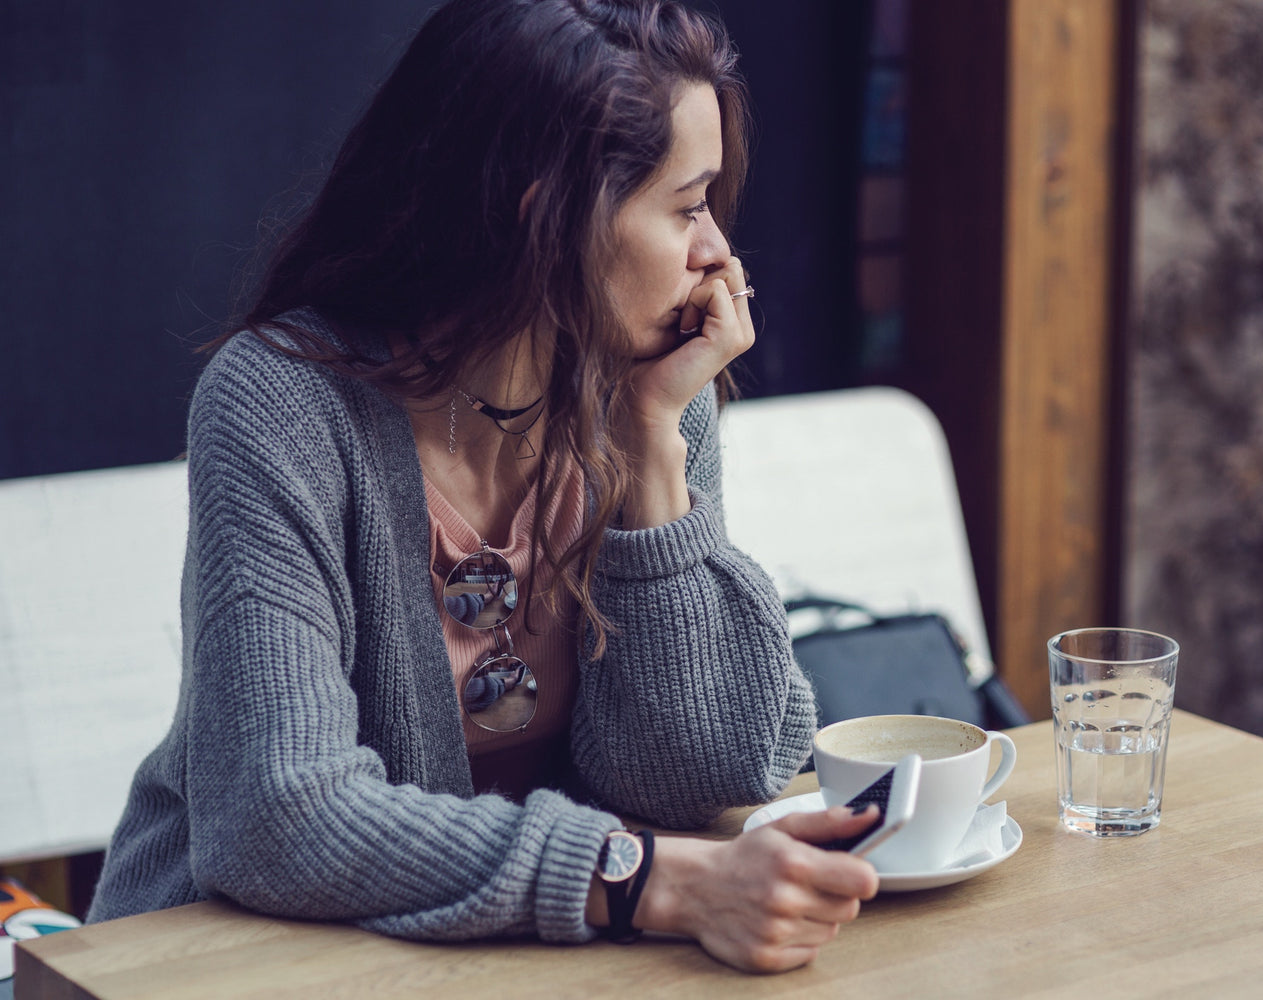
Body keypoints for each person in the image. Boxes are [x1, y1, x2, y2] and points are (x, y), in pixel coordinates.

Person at [85, 0, 880, 974]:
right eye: (685, 206)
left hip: (515, 956)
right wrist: (642, 880)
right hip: (242, 959)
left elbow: (697, 775)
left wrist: (653, 451)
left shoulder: (643, 393)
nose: (717, 250)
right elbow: (278, 815)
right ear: (542, 212)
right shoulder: (282, 404)